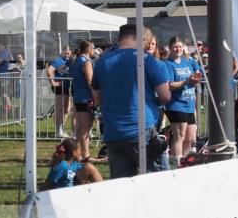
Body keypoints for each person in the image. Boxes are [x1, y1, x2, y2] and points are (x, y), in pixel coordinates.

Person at [90, 24, 172, 178]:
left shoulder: (101, 62)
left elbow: (97, 97)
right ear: (138, 38)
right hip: (142, 130)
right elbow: (165, 96)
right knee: (158, 182)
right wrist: (153, 101)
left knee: (122, 186)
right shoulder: (146, 60)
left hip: (113, 132)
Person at [164, 36, 204, 167]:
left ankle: (185, 162)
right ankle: (177, 164)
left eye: (180, 46)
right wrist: (187, 81)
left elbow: (198, 73)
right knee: (179, 136)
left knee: (191, 138)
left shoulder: (188, 61)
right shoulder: (168, 64)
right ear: (170, 48)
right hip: (176, 104)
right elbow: (169, 85)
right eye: (175, 46)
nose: (178, 49)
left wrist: (196, 78)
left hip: (190, 103)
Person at [69, 40, 97, 160]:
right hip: (86, 97)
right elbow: (90, 80)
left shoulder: (77, 60)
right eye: (93, 47)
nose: (94, 50)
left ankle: (79, 153)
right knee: (86, 127)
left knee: (81, 127)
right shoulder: (86, 61)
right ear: (88, 49)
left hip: (79, 96)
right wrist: (96, 95)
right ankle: (85, 155)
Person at [46, 46, 74, 136]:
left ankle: (61, 128)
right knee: (60, 108)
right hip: (59, 87)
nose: (67, 56)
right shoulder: (58, 60)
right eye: (66, 53)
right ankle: (59, 130)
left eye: (69, 54)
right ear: (62, 52)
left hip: (66, 87)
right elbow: (49, 70)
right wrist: (53, 82)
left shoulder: (69, 61)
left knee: (67, 109)